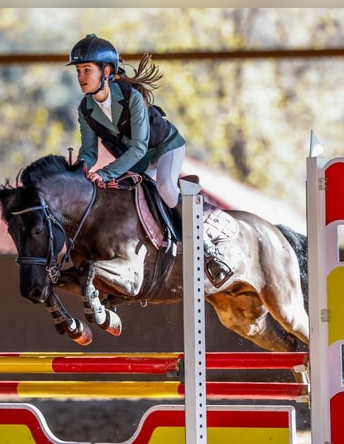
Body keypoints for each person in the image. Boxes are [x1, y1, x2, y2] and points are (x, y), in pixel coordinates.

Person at [66, 34, 232, 286]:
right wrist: (80, 170)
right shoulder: (85, 109)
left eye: (87, 70)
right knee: (124, 200)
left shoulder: (131, 97)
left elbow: (139, 147)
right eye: (78, 70)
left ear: (107, 71)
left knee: (165, 186)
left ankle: (208, 247)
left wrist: (107, 173)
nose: (81, 77)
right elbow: (89, 150)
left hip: (164, 148)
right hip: (136, 162)